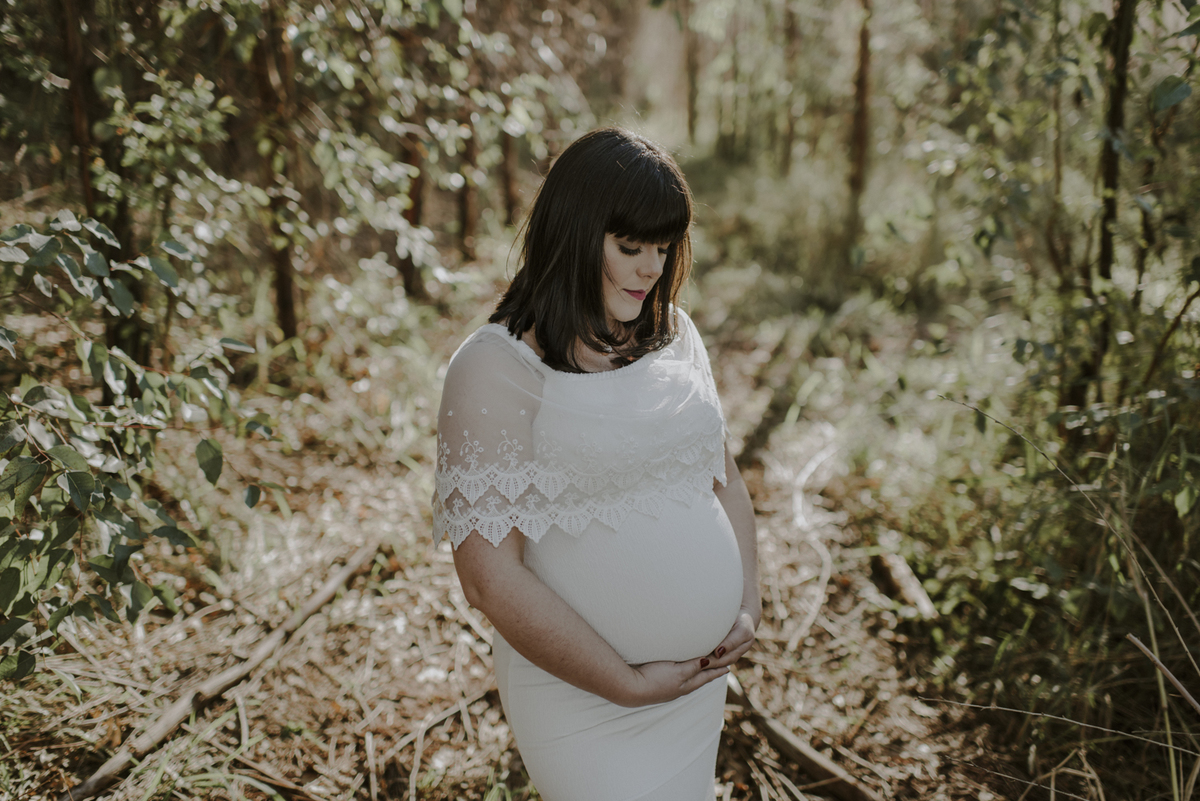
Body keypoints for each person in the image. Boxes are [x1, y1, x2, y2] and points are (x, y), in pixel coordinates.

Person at [432, 127, 760, 801]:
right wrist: (625, 681)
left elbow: (722, 478)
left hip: (694, 690)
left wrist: (746, 601)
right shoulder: (496, 368)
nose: (650, 268)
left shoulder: (675, 333)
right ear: (575, 234)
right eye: (629, 245)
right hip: (583, 696)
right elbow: (488, 577)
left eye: (663, 248)